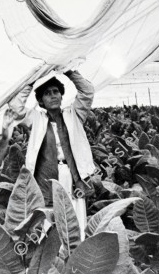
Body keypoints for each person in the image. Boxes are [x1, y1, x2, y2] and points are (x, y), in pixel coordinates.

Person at [8, 69, 97, 239]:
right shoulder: (36, 119)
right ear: (41, 101)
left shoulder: (75, 114)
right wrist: (33, 81)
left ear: (62, 96)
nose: (53, 95)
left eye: (56, 91)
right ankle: (50, 257)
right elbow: (16, 107)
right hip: (45, 177)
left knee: (73, 217)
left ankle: (72, 254)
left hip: (72, 176)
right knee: (47, 217)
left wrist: (69, 71)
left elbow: (87, 91)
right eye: (47, 93)